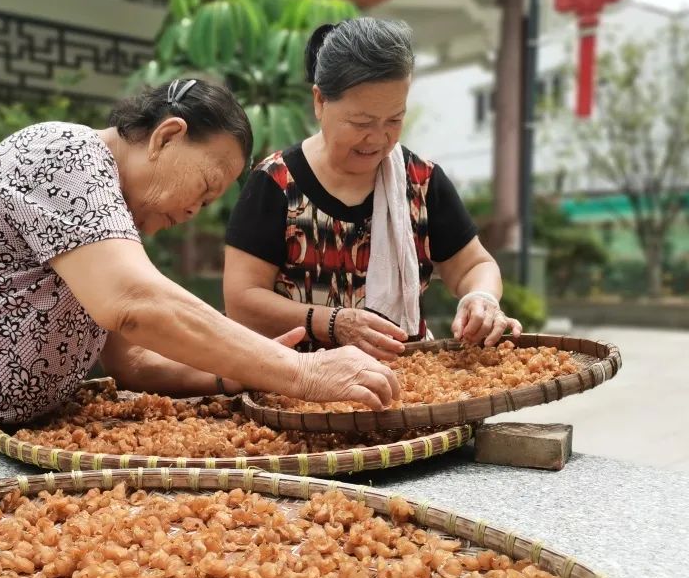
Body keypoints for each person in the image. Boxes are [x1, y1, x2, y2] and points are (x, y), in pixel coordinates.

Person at [0, 79, 400, 459]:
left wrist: (232, 376)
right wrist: (298, 372)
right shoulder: (65, 152)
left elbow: (131, 362)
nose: (197, 211)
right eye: (206, 187)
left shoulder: (112, 226)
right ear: (166, 136)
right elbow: (132, 302)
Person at [223, 18, 522, 361]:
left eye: (394, 120)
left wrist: (480, 298)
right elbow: (242, 299)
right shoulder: (276, 184)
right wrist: (331, 323)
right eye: (362, 123)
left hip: (409, 382)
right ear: (319, 102)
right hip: (299, 387)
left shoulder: (422, 183)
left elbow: (473, 266)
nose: (379, 138)